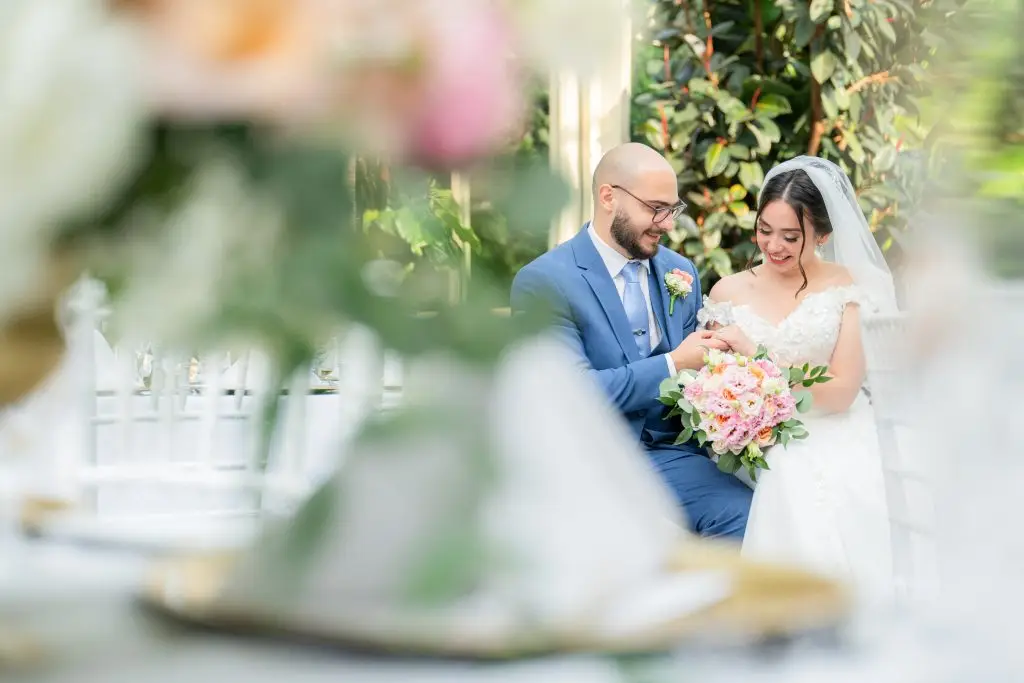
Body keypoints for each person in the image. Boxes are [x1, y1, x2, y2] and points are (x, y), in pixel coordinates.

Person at [510, 142, 752, 539]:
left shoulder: (680, 270)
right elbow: (571, 395)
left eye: (673, 210)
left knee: (747, 515)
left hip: (674, 457)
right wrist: (674, 363)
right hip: (587, 461)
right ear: (609, 197)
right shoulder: (546, 282)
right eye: (655, 208)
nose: (667, 223)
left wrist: (738, 369)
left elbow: (704, 374)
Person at [702, 156, 895, 597]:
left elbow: (842, 391)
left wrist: (762, 359)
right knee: (784, 465)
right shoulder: (727, 292)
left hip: (833, 425)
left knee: (805, 473)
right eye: (764, 230)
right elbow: (713, 384)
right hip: (751, 436)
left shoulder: (850, 288)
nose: (773, 246)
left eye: (791, 236)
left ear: (823, 235)